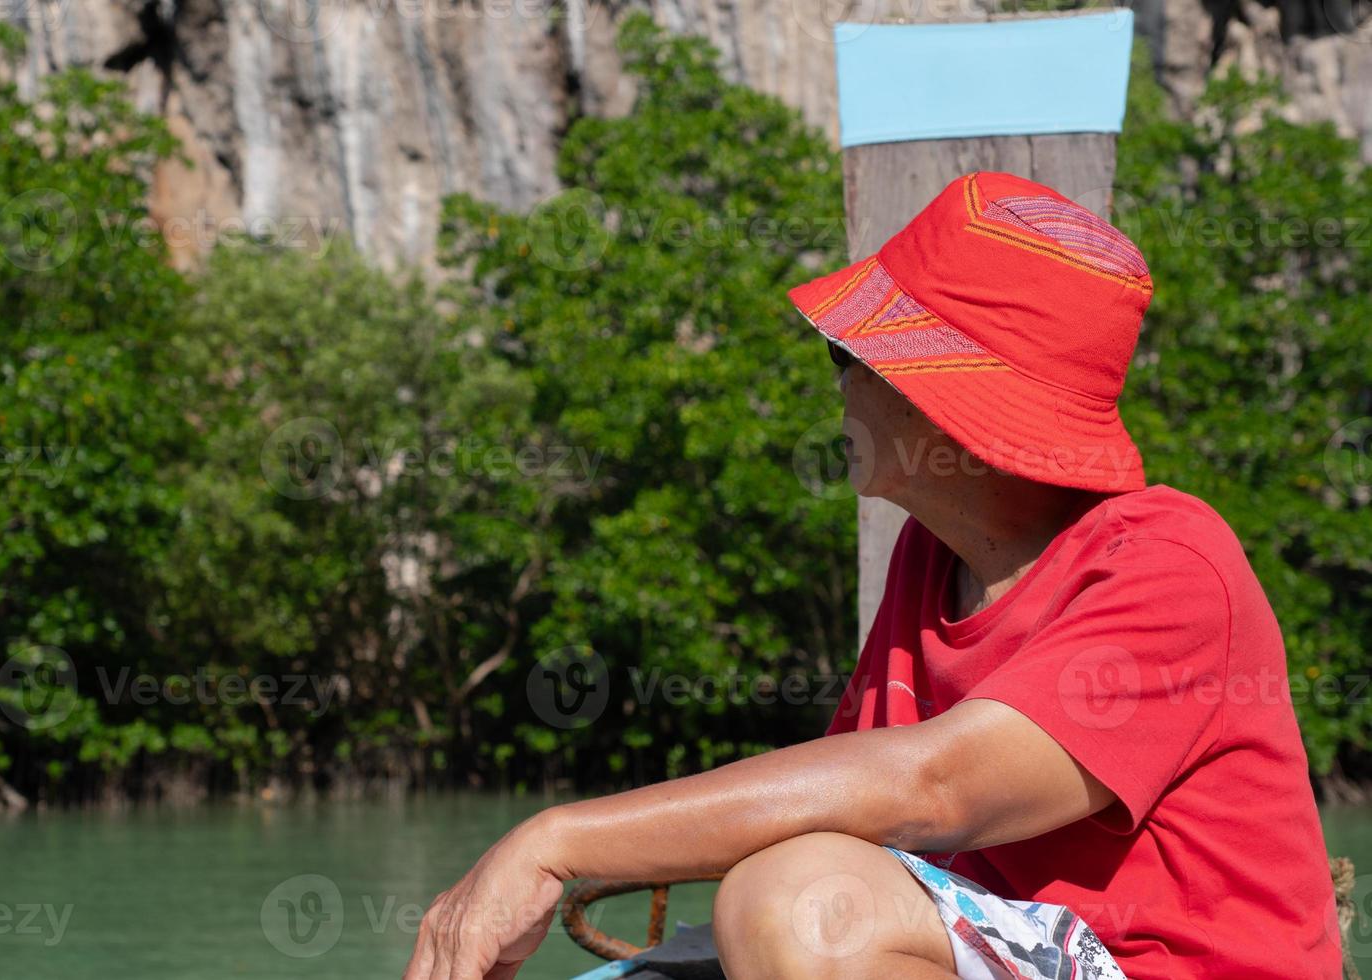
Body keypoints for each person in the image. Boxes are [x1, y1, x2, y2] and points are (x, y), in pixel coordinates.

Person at [402, 171, 1342, 979]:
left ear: (943, 404)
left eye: (848, 355)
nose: (836, 384)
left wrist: (552, 844)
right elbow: (855, 811)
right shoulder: (930, 559)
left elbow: (935, 789)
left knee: (802, 899)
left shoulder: (1169, 564)